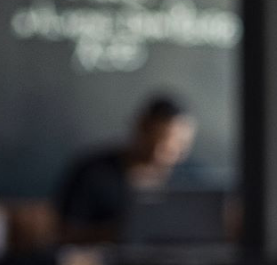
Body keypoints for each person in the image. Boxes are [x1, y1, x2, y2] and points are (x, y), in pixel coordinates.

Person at [52, 93, 198, 242]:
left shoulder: (195, 178)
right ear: (142, 128)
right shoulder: (92, 173)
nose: (169, 153)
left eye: (180, 145)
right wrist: (123, 231)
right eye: (161, 142)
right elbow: (65, 232)